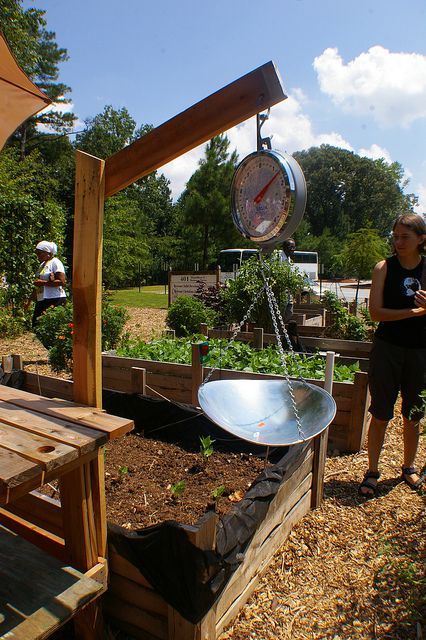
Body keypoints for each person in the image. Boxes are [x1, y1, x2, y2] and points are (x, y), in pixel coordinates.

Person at [359, 213, 426, 498]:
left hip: (421, 352)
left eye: (405, 237)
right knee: (381, 412)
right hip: (388, 350)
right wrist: (415, 311)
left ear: (421, 239)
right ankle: (373, 470)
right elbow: (375, 313)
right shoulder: (383, 268)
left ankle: (408, 467)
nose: (398, 242)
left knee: (413, 414)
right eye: (395, 236)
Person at [25, 241, 67, 327]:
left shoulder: (55, 262)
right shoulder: (42, 265)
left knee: (51, 326)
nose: (38, 256)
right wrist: (29, 300)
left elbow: (62, 282)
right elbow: (38, 285)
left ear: (48, 253)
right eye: (37, 253)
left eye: (40, 253)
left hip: (55, 298)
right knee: (36, 324)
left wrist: (43, 283)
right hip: (43, 298)